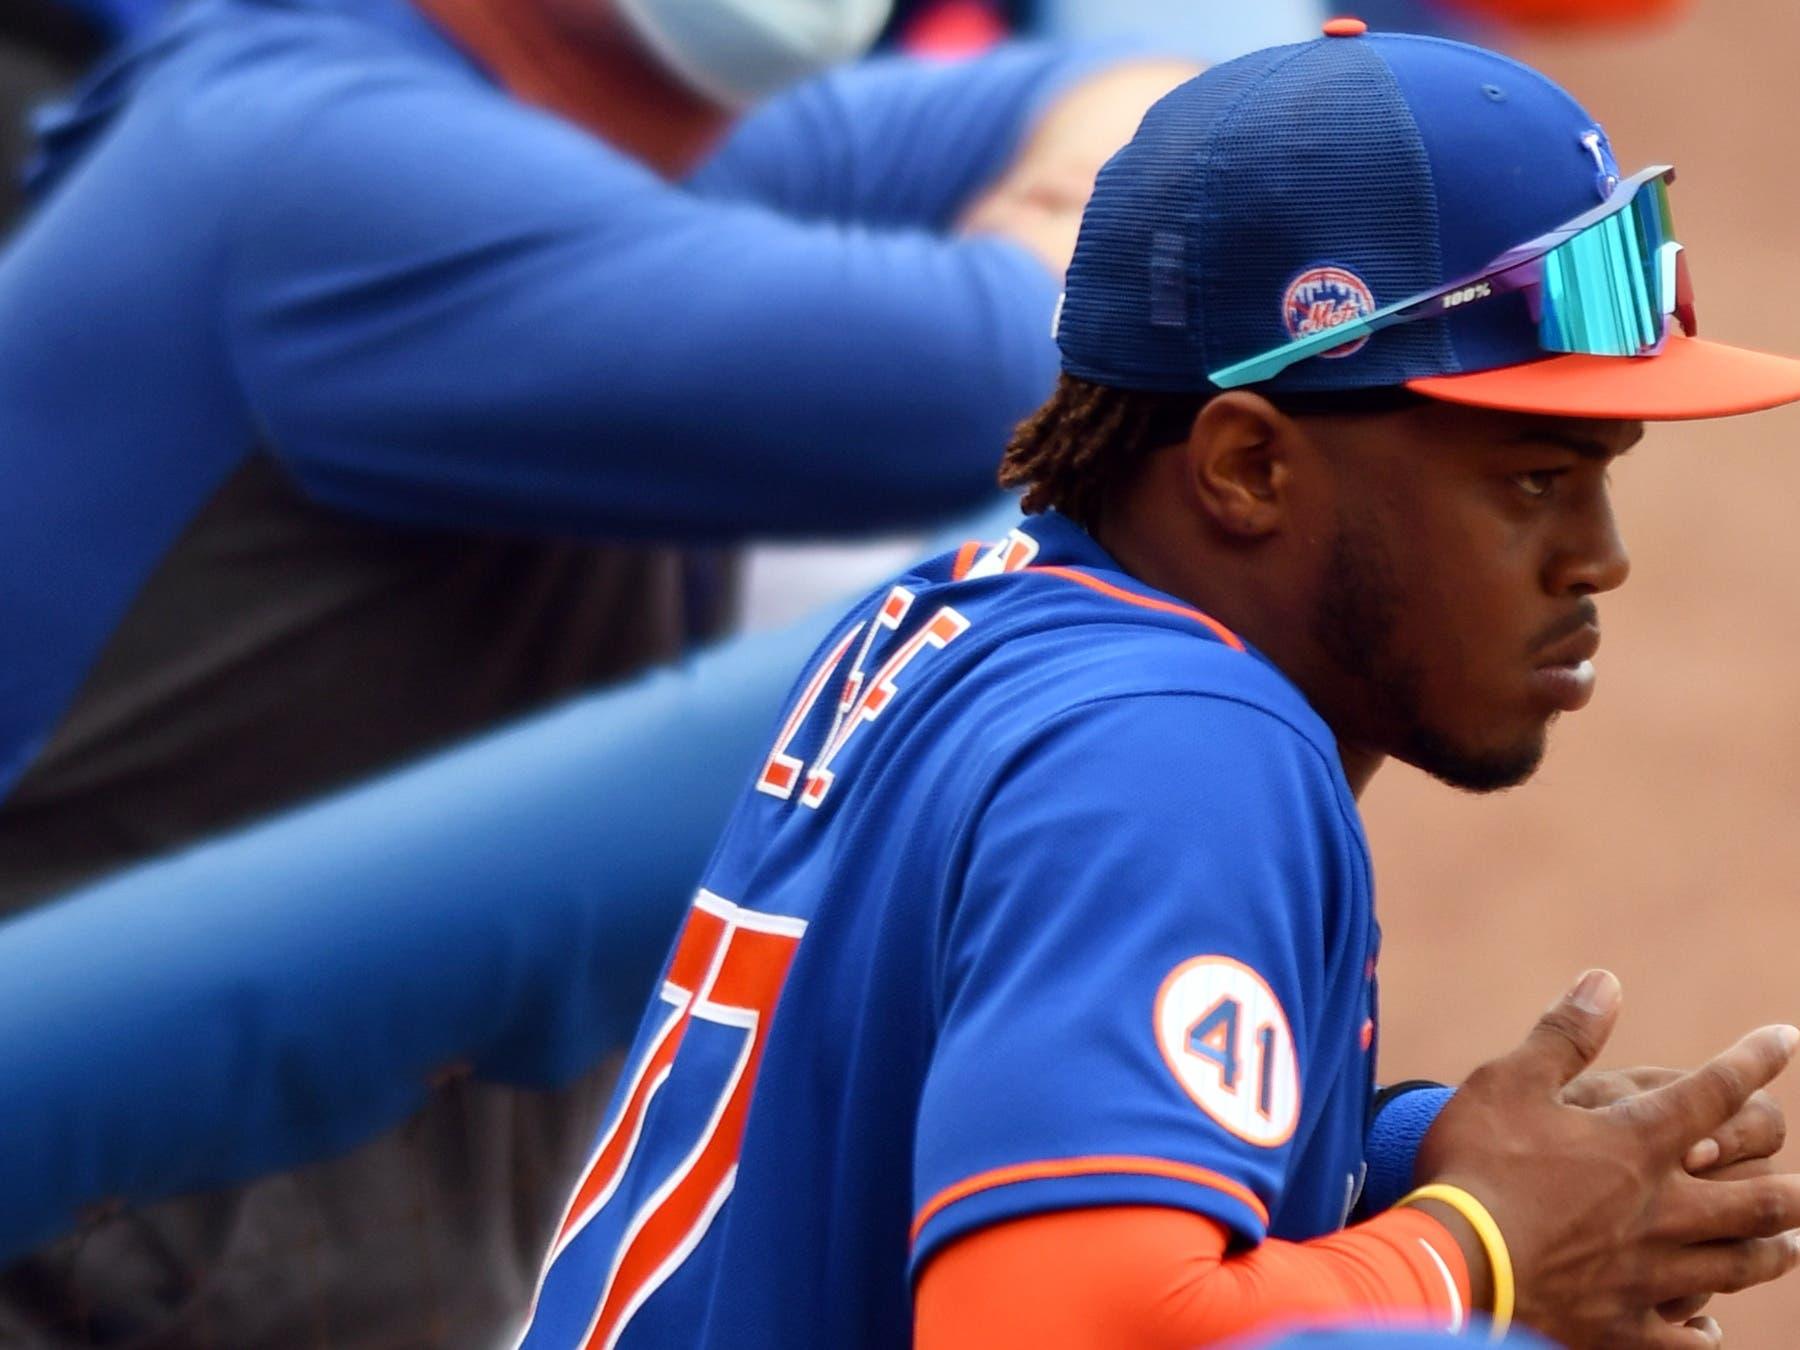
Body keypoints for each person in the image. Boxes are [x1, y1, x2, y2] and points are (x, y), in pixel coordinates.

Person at [517, 20, 1800, 1348]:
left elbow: (906, 1124)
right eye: (1531, 478)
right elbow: (1055, 1330)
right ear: (1248, 468)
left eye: (1602, 471)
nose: (1600, 560)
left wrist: (1418, 1161)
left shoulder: (970, 615)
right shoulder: (1179, 756)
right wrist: (1486, 1252)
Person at [0, 0, 1191, 1342]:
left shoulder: (599, 132)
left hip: (230, 1234)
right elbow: (1004, 368)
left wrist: (1054, 210)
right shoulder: (317, 152)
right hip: (78, 1249)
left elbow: (1165, 111)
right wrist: (1065, 231)